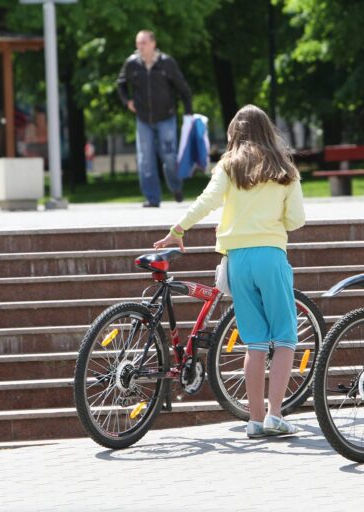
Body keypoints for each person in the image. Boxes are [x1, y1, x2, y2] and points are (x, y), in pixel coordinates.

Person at [153, 104, 306, 438]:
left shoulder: (229, 166)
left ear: (235, 133)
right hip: (270, 255)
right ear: (269, 131)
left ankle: (253, 419)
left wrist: (178, 229)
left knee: (254, 342)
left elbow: (207, 201)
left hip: (237, 259)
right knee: (284, 337)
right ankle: (275, 415)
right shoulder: (285, 169)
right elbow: (296, 220)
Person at [117, 30, 193, 207]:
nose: (140, 47)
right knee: (145, 159)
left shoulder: (167, 63)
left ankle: (176, 186)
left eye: (143, 43)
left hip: (166, 117)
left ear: (153, 43)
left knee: (169, 157)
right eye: (138, 43)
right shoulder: (131, 64)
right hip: (143, 119)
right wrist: (126, 101)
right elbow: (120, 83)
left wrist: (188, 112)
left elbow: (183, 89)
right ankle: (152, 198)